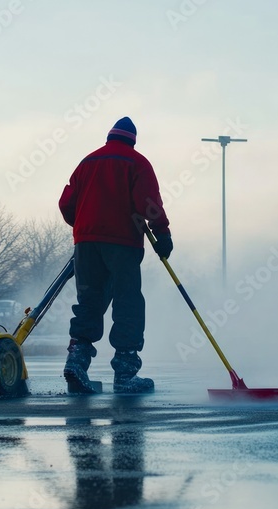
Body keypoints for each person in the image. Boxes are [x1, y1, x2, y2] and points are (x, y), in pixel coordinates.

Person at [58, 116, 173, 394]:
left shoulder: (87, 162)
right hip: (123, 243)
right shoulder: (137, 162)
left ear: (109, 137)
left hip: (86, 244)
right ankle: (125, 372)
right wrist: (163, 233)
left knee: (88, 301)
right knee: (127, 302)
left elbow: (66, 203)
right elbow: (148, 203)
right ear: (132, 140)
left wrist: (85, 226)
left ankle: (77, 362)